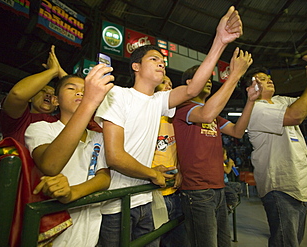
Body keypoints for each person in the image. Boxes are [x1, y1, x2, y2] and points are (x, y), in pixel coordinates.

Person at [95, 6, 244, 246]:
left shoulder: (158, 101)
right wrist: (153, 174)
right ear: (136, 66)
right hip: (116, 203)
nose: (161, 64)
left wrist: (219, 42)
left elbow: (193, 88)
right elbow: (115, 157)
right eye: (154, 59)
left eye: (163, 61)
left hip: (147, 199)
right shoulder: (117, 95)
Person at [244, 42, 307, 247]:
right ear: (251, 89)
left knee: (293, 241)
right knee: (285, 242)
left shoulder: (282, 100)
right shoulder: (256, 109)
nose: (269, 80)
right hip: (280, 187)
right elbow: (296, 116)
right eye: (262, 79)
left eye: (268, 77)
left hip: (297, 183)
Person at [172, 47, 258, 247]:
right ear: (189, 84)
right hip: (197, 190)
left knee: (223, 243)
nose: (209, 81)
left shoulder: (214, 116)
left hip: (219, 186)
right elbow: (205, 115)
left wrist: (251, 102)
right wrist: (235, 75)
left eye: (211, 79)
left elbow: (237, 131)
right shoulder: (183, 109)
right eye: (202, 78)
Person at [25, 63, 114, 247]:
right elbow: (50, 165)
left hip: (91, 232)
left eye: (84, 90)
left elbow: (104, 177)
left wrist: (72, 192)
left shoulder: (98, 136)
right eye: (71, 88)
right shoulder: (41, 128)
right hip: (55, 233)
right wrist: (89, 103)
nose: (80, 93)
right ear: (56, 101)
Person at [0, 45, 65, 145]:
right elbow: (17, 94)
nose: (48, 95)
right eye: (44, 91)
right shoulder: (18, 120)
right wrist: (52, 71)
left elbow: (80, 97)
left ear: (57, 103)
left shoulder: (60, 121)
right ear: (30, 98)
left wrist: (59, 71)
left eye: (53, 94)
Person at [152, 75, 190, 247]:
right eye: (163, 83)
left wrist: (181, 170)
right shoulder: (148, 118)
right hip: (152, 194)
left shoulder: (176, 120)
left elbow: (180, 151)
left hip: (174, 192)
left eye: (171, 83)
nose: (168, 86)